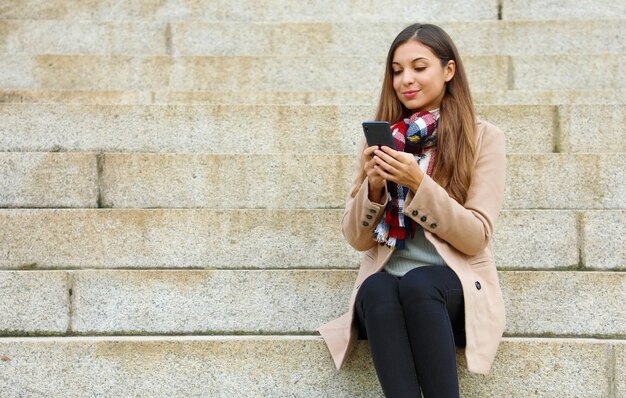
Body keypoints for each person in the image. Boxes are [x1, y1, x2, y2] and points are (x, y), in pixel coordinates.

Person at [318, 23, 506, 397]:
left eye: (419, 67)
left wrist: (419, 183)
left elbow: (476, 236)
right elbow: (356, 239)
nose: (406, 79)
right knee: (376, 288)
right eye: (398, 70)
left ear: (448, 70)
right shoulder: (380, 139)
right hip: (390, 289)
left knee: (420, 283)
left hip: (452, 287)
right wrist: (373, 187)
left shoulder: (483, 137)